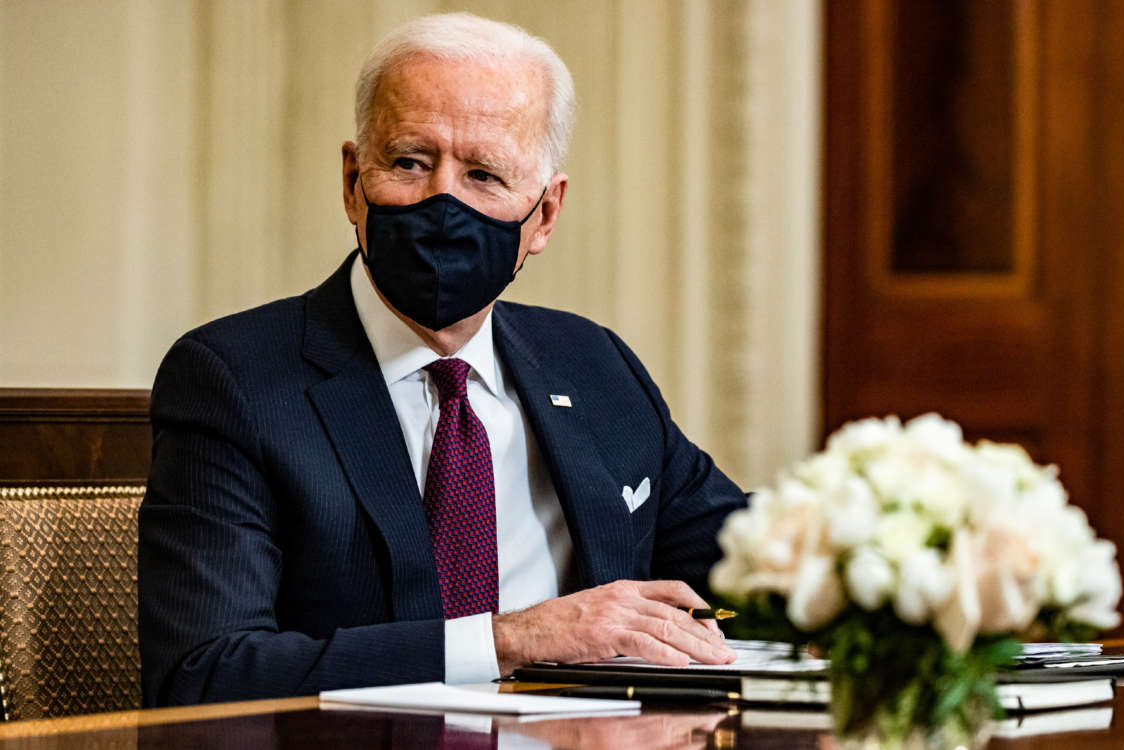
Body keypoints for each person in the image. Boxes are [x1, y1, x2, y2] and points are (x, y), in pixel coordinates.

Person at [138, 12, 747, 707]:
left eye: (484, 174)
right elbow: (203, 674)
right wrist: (509, 640)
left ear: (544, 215)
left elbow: (758, 564)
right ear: (351, 180)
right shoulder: (236, 381)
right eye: (409, 162)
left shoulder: (592, 365)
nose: (442, 202)